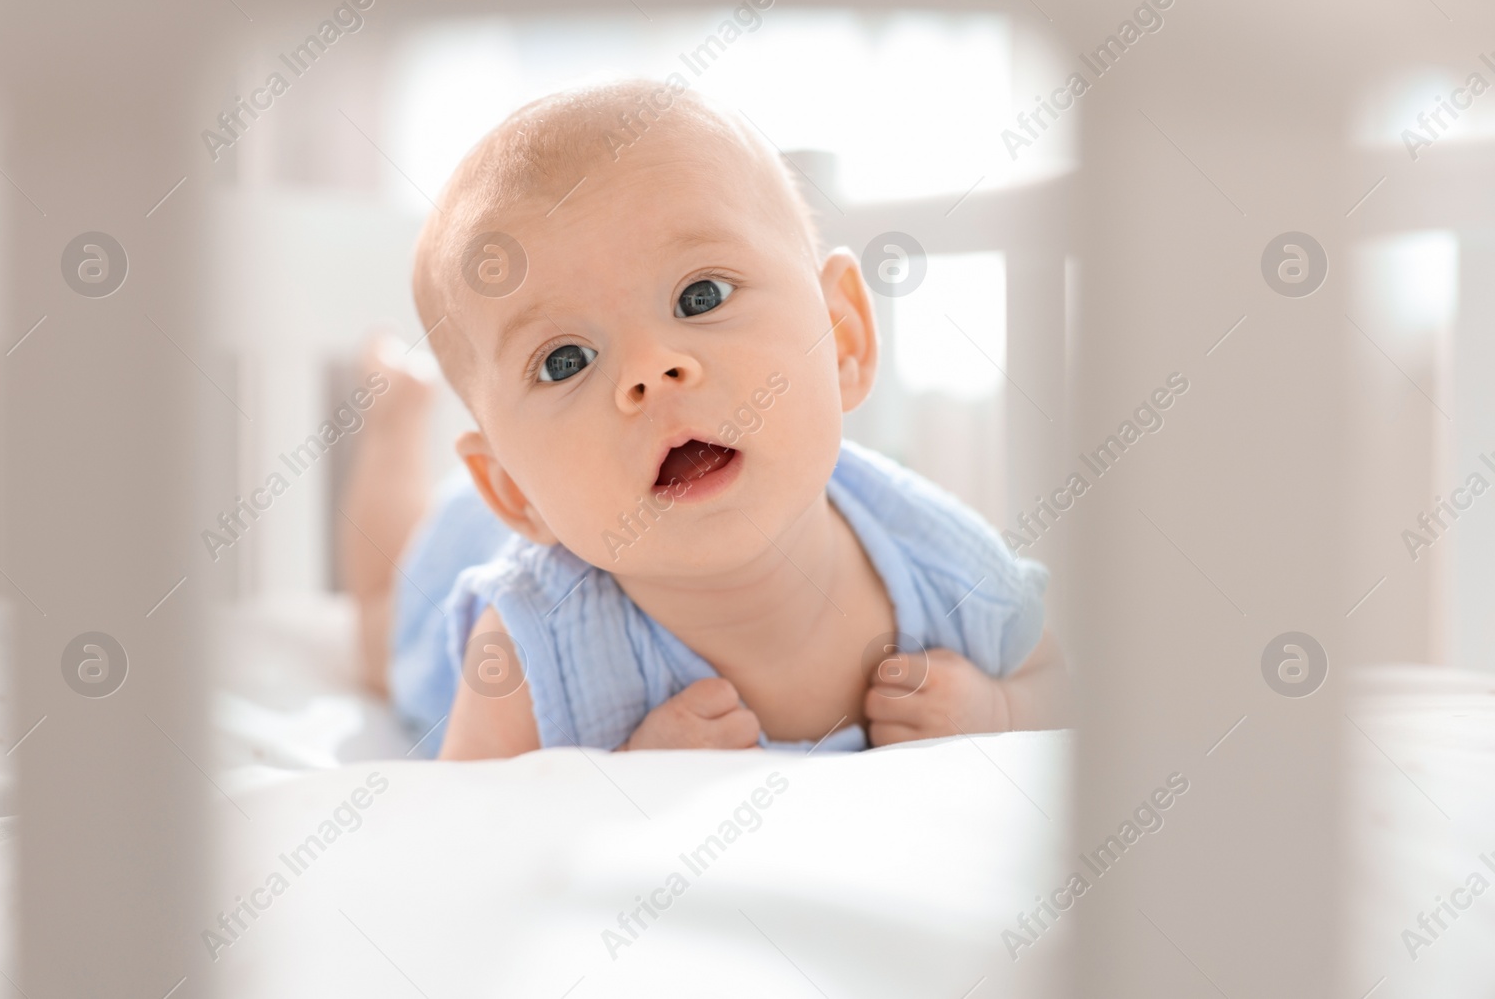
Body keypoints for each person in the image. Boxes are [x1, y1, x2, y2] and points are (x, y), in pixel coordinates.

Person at [341, 79, 1069, 759]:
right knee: (377, 630)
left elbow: (1067, 683)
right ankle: (396, 414)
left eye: (702, 295)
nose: (651, 370)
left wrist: (999, 711)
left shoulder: (938, 561)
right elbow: (469, 837)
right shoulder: (530, 648)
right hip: (463, 547)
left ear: (842, 336)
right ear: (514, 491)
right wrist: (622, 780)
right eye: (566, 360)